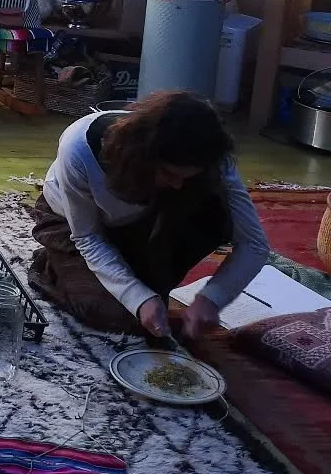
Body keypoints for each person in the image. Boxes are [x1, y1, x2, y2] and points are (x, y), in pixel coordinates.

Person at [30, 90, 269, 339]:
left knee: (214, 210)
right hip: (69, 224)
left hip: (142, 221)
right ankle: (51, 266)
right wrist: (139, 299)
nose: (178, 185)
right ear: (142, 157)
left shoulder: (211, 158)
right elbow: (89, 238)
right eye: (169, 174)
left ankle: (140, 272)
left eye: (185, 177)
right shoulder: (78, 148)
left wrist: (212, 298)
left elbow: (254, 243)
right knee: (122, 316)